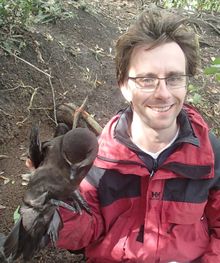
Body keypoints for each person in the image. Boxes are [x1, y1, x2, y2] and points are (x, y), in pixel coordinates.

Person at [32, 9, 220, 263]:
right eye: (146, 79)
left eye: (174, 78)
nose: (163, 93)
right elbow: (86, 231)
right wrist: (53, 209)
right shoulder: (98, 158)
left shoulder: (210, 154)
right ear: (124, 86)